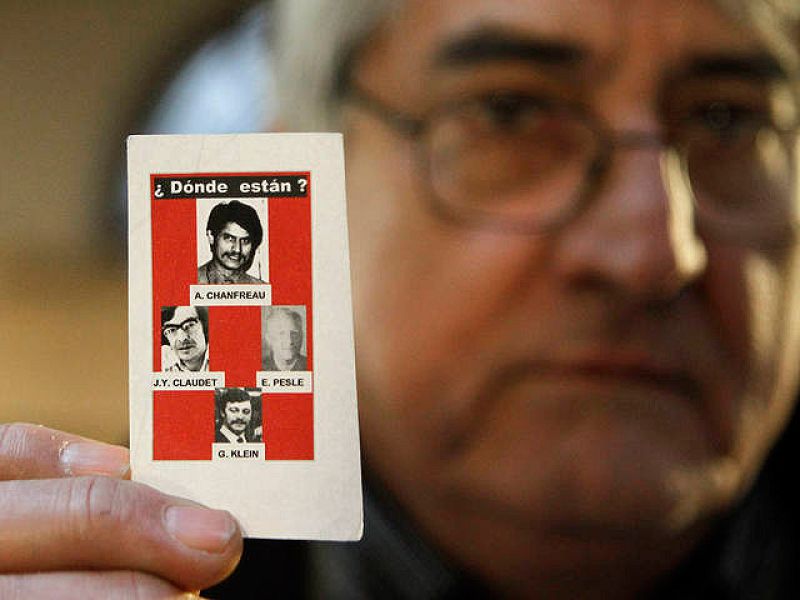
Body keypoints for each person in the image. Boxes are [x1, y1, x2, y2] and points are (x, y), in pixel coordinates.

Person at [2, 0, 800, 597]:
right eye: (510, 112)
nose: (654, 253)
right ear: (305, 174)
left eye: (730, 120)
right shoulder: (137, 558)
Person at [198, 200, 266, 284]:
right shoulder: (189, 281)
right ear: (211, 237)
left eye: (245, 241)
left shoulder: (261, 287)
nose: (237, 249)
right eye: (230, 239)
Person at [161, 305, 209, 372]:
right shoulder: (163, 359)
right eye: (171, 330)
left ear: (204, 327)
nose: (182, 338)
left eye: (190, 325)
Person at [261, 306, 307, 371]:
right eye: (282, 334)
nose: (289, 341)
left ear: (301, 336)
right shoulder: (261, 367)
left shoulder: (310, 365)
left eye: (294, 333)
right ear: (269, 339)